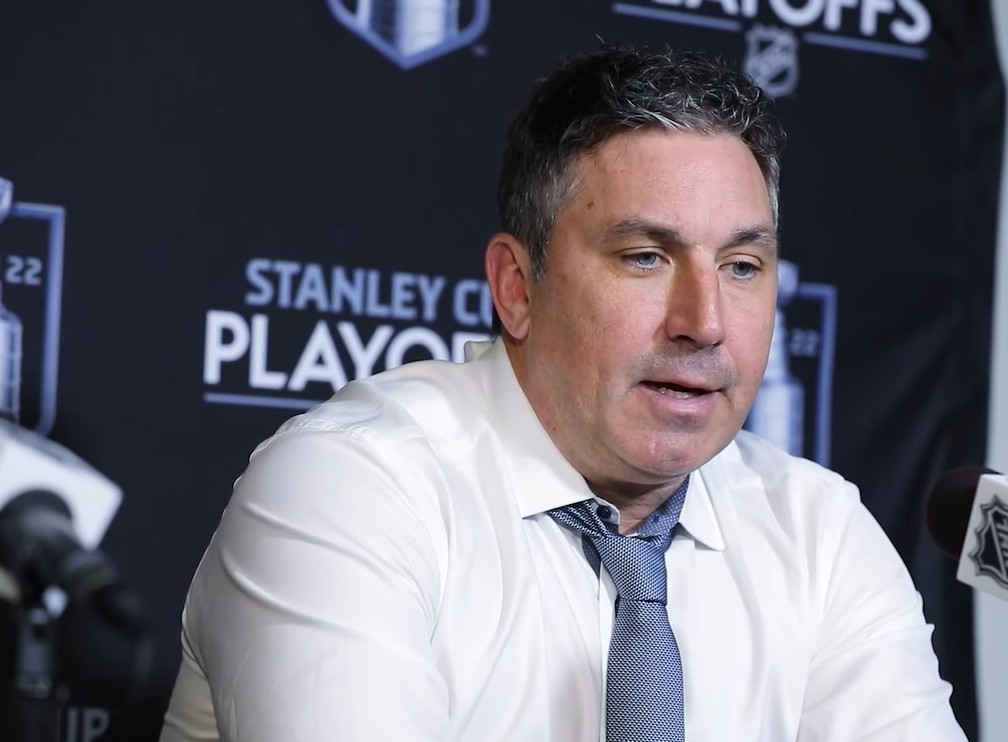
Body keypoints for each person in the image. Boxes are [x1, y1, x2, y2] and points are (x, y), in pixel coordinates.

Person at [159, 43, 966, 742]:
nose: (704, 323)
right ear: (517, 288)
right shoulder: (353, 485)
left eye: (742, 266)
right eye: (645, 257)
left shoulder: (817, 533)